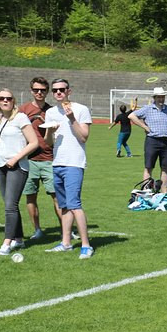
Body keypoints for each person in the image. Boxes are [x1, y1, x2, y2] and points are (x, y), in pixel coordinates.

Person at [0, 89, 41, 256]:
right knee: (9, 204)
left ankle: (7, 242)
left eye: (8, 98)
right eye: (1, 98)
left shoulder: (21, 117)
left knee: (10, 205)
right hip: (0, 165)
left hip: (17, 167)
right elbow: (2, 143)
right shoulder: (0, 119)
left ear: (13, 100)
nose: (5, 101)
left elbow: (33, 143)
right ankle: (19, 239)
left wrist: (15, 159)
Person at [43, 79, 94, 259]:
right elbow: (49, 142)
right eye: (55, 90)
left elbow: (84, 137)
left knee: (74, 205)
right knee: (63, 206)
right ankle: (66, 243)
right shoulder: (50, 112)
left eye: (61, 90)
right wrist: (49, 131)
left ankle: (86, 245)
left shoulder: (81, 109)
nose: (58, 93)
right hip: (57, 162)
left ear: (69, 91)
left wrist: (71, 118)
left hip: (74, 162)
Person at [19, 77, 63, 242]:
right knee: (30, 196)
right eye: (36, 90)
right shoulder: (23, 110)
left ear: (47, 92)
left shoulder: (52, 111)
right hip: (28, 160)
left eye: (43, 90)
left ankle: (64, 230)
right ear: (31, 91)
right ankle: (37, 230)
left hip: (49, 158)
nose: (39, 93)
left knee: (57, 196)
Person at [129, 87, 167, 192]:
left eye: (163, 97)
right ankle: (146, 191)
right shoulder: (148, 108)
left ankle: (164, 193)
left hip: (166, 141)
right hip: (152, 140)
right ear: (154, 98)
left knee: (165, 168)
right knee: (149, 167)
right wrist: (145, 127)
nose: (161, 99)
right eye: (159, 97)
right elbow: (131, 116)